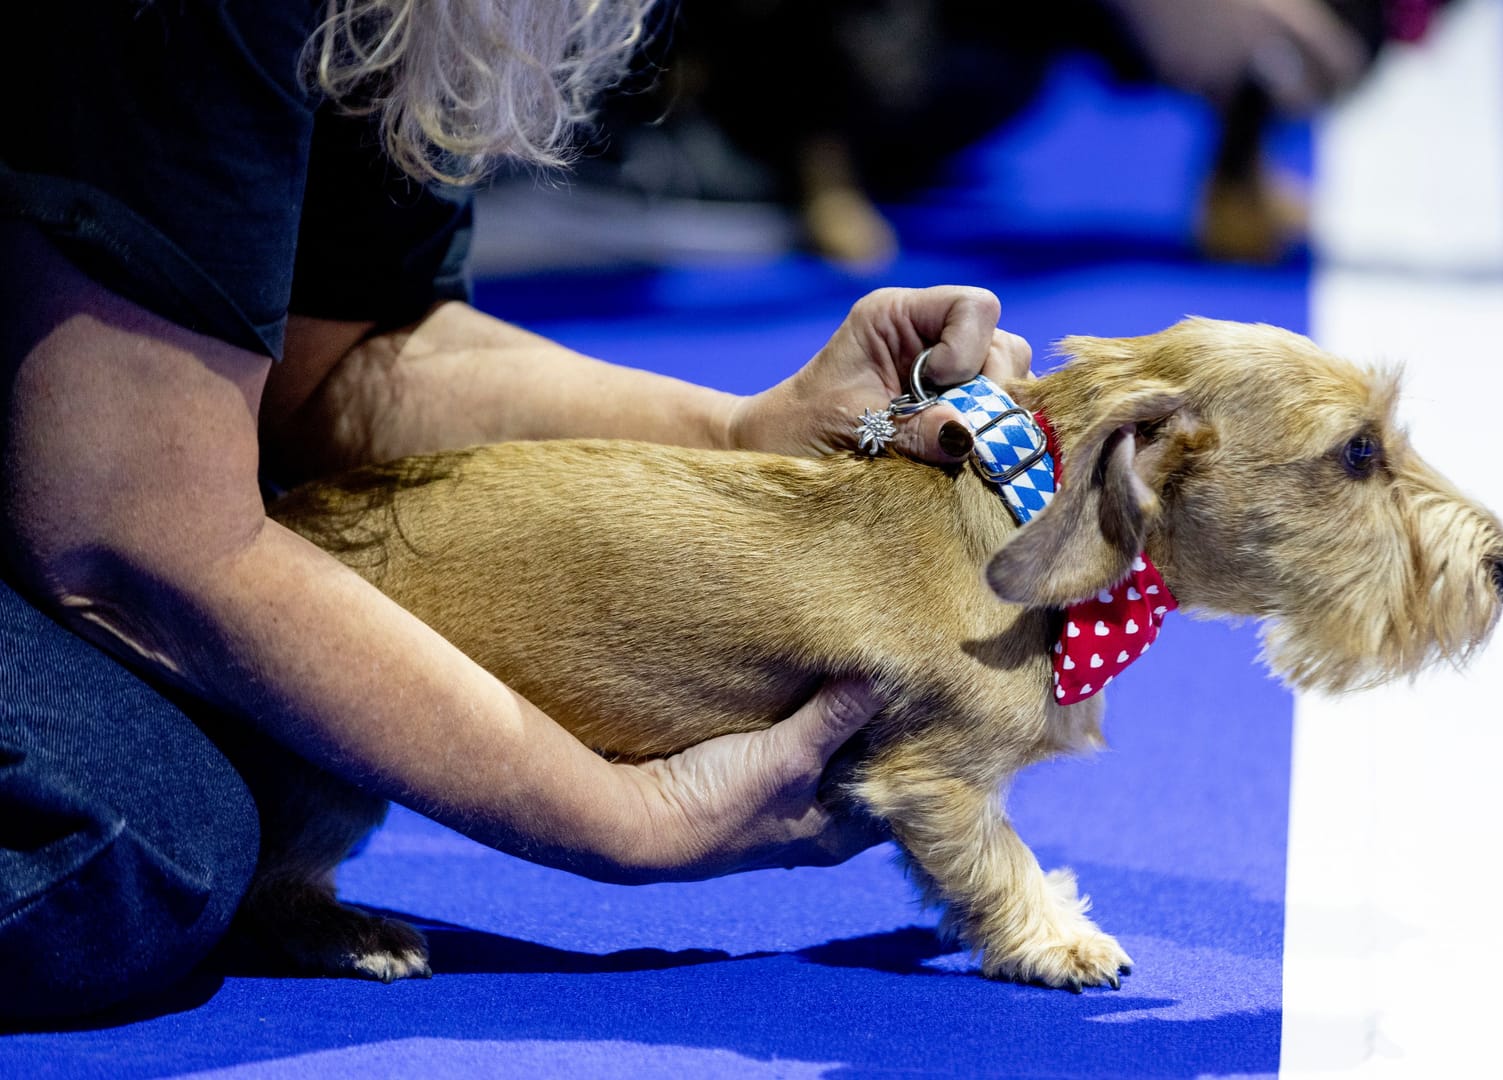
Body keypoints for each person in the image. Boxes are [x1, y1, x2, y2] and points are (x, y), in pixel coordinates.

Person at [0, 0, 1030, 1021]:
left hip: (91, 465)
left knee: (247, 747)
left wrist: (748, 431)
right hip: (95, 493)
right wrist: (633, 818)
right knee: (122, 848)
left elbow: (337, 362)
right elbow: (127, 540)